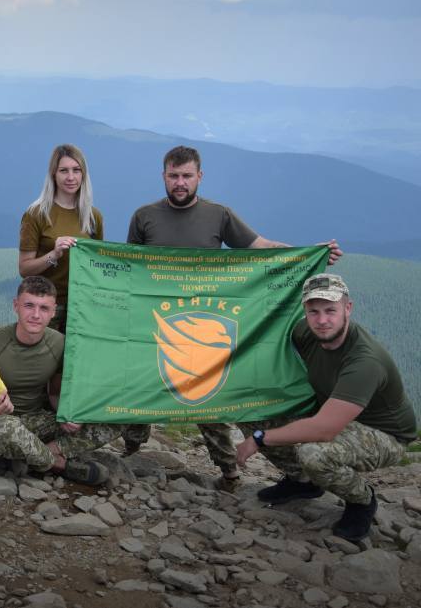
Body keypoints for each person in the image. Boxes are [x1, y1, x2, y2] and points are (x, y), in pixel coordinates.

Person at [123, 145, 343, 488]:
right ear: (163, 176)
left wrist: (311, 253)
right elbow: (130, 270)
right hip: (159, 325)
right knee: (139, 391)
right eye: (173, 176)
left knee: (208, 401)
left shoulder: (219, 215)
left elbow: (263, 247)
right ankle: (132, 449)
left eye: (186, 176)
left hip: (206, 326)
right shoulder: (144, 217)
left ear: (200, 176)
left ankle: (229, 473)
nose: (180, 183)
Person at [236, 274, 417, 541]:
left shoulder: (365, 362)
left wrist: (260, 439)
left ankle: (362, 501)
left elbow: (324, 429)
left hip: (384, 433)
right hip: (329, 410)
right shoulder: (306, 333)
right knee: (252, 412)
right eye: (314, 311)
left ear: (348, 308)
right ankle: (302, 483)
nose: (322, 321)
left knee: (314, 454)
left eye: (331, 310)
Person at [0, 276, 114, 484]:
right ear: (16, 306)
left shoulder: (60, 344)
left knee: (113, 411)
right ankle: (58, 464)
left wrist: (68, 412)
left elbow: (55, 392)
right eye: (29, 306)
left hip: (39, 421)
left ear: (53, 311)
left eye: (44, 308)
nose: (36, 315)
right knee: (5, 428)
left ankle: (42, 452)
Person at [18, 144, 103, 332]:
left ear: (83, 175)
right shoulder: (36, 214)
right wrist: (54, 255)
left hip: (81, 307)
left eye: (76, 170)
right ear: (53, 175)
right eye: (64, 171)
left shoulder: (93, 216)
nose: (71, 177)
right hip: (45, 306)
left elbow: (97, 265)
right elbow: (24, 269)